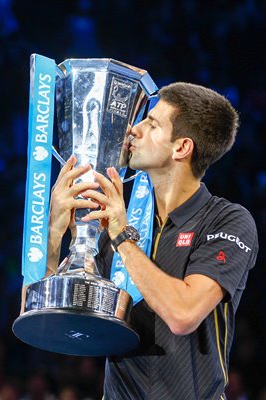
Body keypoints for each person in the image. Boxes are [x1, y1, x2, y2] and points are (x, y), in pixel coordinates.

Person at [47, 82, 258, 399]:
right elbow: (53, 320)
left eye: (152, 123)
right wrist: (53, 233)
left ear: (181, 148)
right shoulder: (121, 221)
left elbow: (183, 314)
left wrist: (122, 237)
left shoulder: (227, 221)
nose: (133, 129)